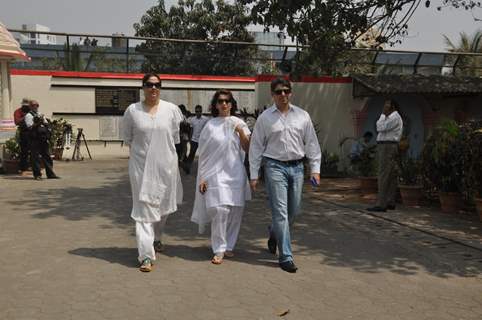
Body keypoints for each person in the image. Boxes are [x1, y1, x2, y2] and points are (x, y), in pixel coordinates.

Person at [249, 78, 321, 273]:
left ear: (291, 93)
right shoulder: (265, 118)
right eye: (279, 92)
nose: (283, 95)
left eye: (286, 91)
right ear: (272, 95)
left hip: (297, 168)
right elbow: (255, 146)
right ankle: (286, 256)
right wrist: (254, 174)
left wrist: (315, 169)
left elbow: (312, 143)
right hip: (274, 167)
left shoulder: (302, 116)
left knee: (293, 211)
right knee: (281, 212)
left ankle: (274, 233)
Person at [122, 73, 184, 272]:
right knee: (144, 211)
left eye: (157, 85)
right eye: (149, 85)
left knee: (163, 208)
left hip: (166, 167)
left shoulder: (171, 110)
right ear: (143, 87)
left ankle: (157, 238)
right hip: (140, 168)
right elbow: (129, 139)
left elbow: (174, 139)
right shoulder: (132, 111)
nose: (153, 88)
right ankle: (146, 256)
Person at [191, 89, 251, 265]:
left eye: (227, 101)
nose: (224, 104)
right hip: (214, 174)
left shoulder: (239, 123)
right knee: (219, 210)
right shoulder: (210, 126)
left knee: (235, 212)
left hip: (235, 173)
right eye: (220, 101)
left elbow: (248, 149)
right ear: (215, 105)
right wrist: (202, 177)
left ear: (232, 104)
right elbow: (204, 154)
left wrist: (240, 130)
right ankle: (218, 248)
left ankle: (229, 246)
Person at [367, 99, 403, 212]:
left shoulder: (394, 117)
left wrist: (382, 115)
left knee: (383, 174)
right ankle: (390, 201)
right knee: (391, 174)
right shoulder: (391, 118)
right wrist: (383, 118)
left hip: (388, 146)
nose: (384, 107)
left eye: (386, 104)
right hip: (388, 146)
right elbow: (380, 126)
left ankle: (381, 204)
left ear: (392, 106)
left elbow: (380, 128)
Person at [24, 100, 59, 180]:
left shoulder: (40, 114)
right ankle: (37, 175)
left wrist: (43, 122)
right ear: (30, 106)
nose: (35, 107)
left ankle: (50, 174)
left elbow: (46, 124)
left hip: (42, 138)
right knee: (35, 157)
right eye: (33, 105)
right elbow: (29, 127)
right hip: (34, 139)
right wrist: (37, 123)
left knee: (47, 156)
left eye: (37, 105)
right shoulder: (28, 116)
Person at [186, 104, 209, 169]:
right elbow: (191, 129)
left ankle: (204, 168)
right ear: (195, 112)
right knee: (191, 154)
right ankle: (188, 167)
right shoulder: (192, 120)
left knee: (203, 155)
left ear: (201, 111)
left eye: (199, 111)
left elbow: (207, 130)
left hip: (202, 140)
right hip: (194, 140)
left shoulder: (206, 119)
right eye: (197, 111)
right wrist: (190, 139)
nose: (198, 113)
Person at [13, 98, 31, 174]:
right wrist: (26, 116)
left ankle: (30, 167)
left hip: (32, 132)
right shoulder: (18, 111)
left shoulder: (31, 111)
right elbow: (17, 122)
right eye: (25, 106)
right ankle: (23, 168)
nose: (26, 107)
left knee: (33, 151)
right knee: (24, 151)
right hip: (24, 133)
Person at [175, 104, 192, 174]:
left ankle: (185, 167)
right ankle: (185, 167)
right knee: (182, 153)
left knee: (181, 153)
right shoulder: (182, 117)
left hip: (182, 136)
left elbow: (186, 126)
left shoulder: (182, 117)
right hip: (182, 136)